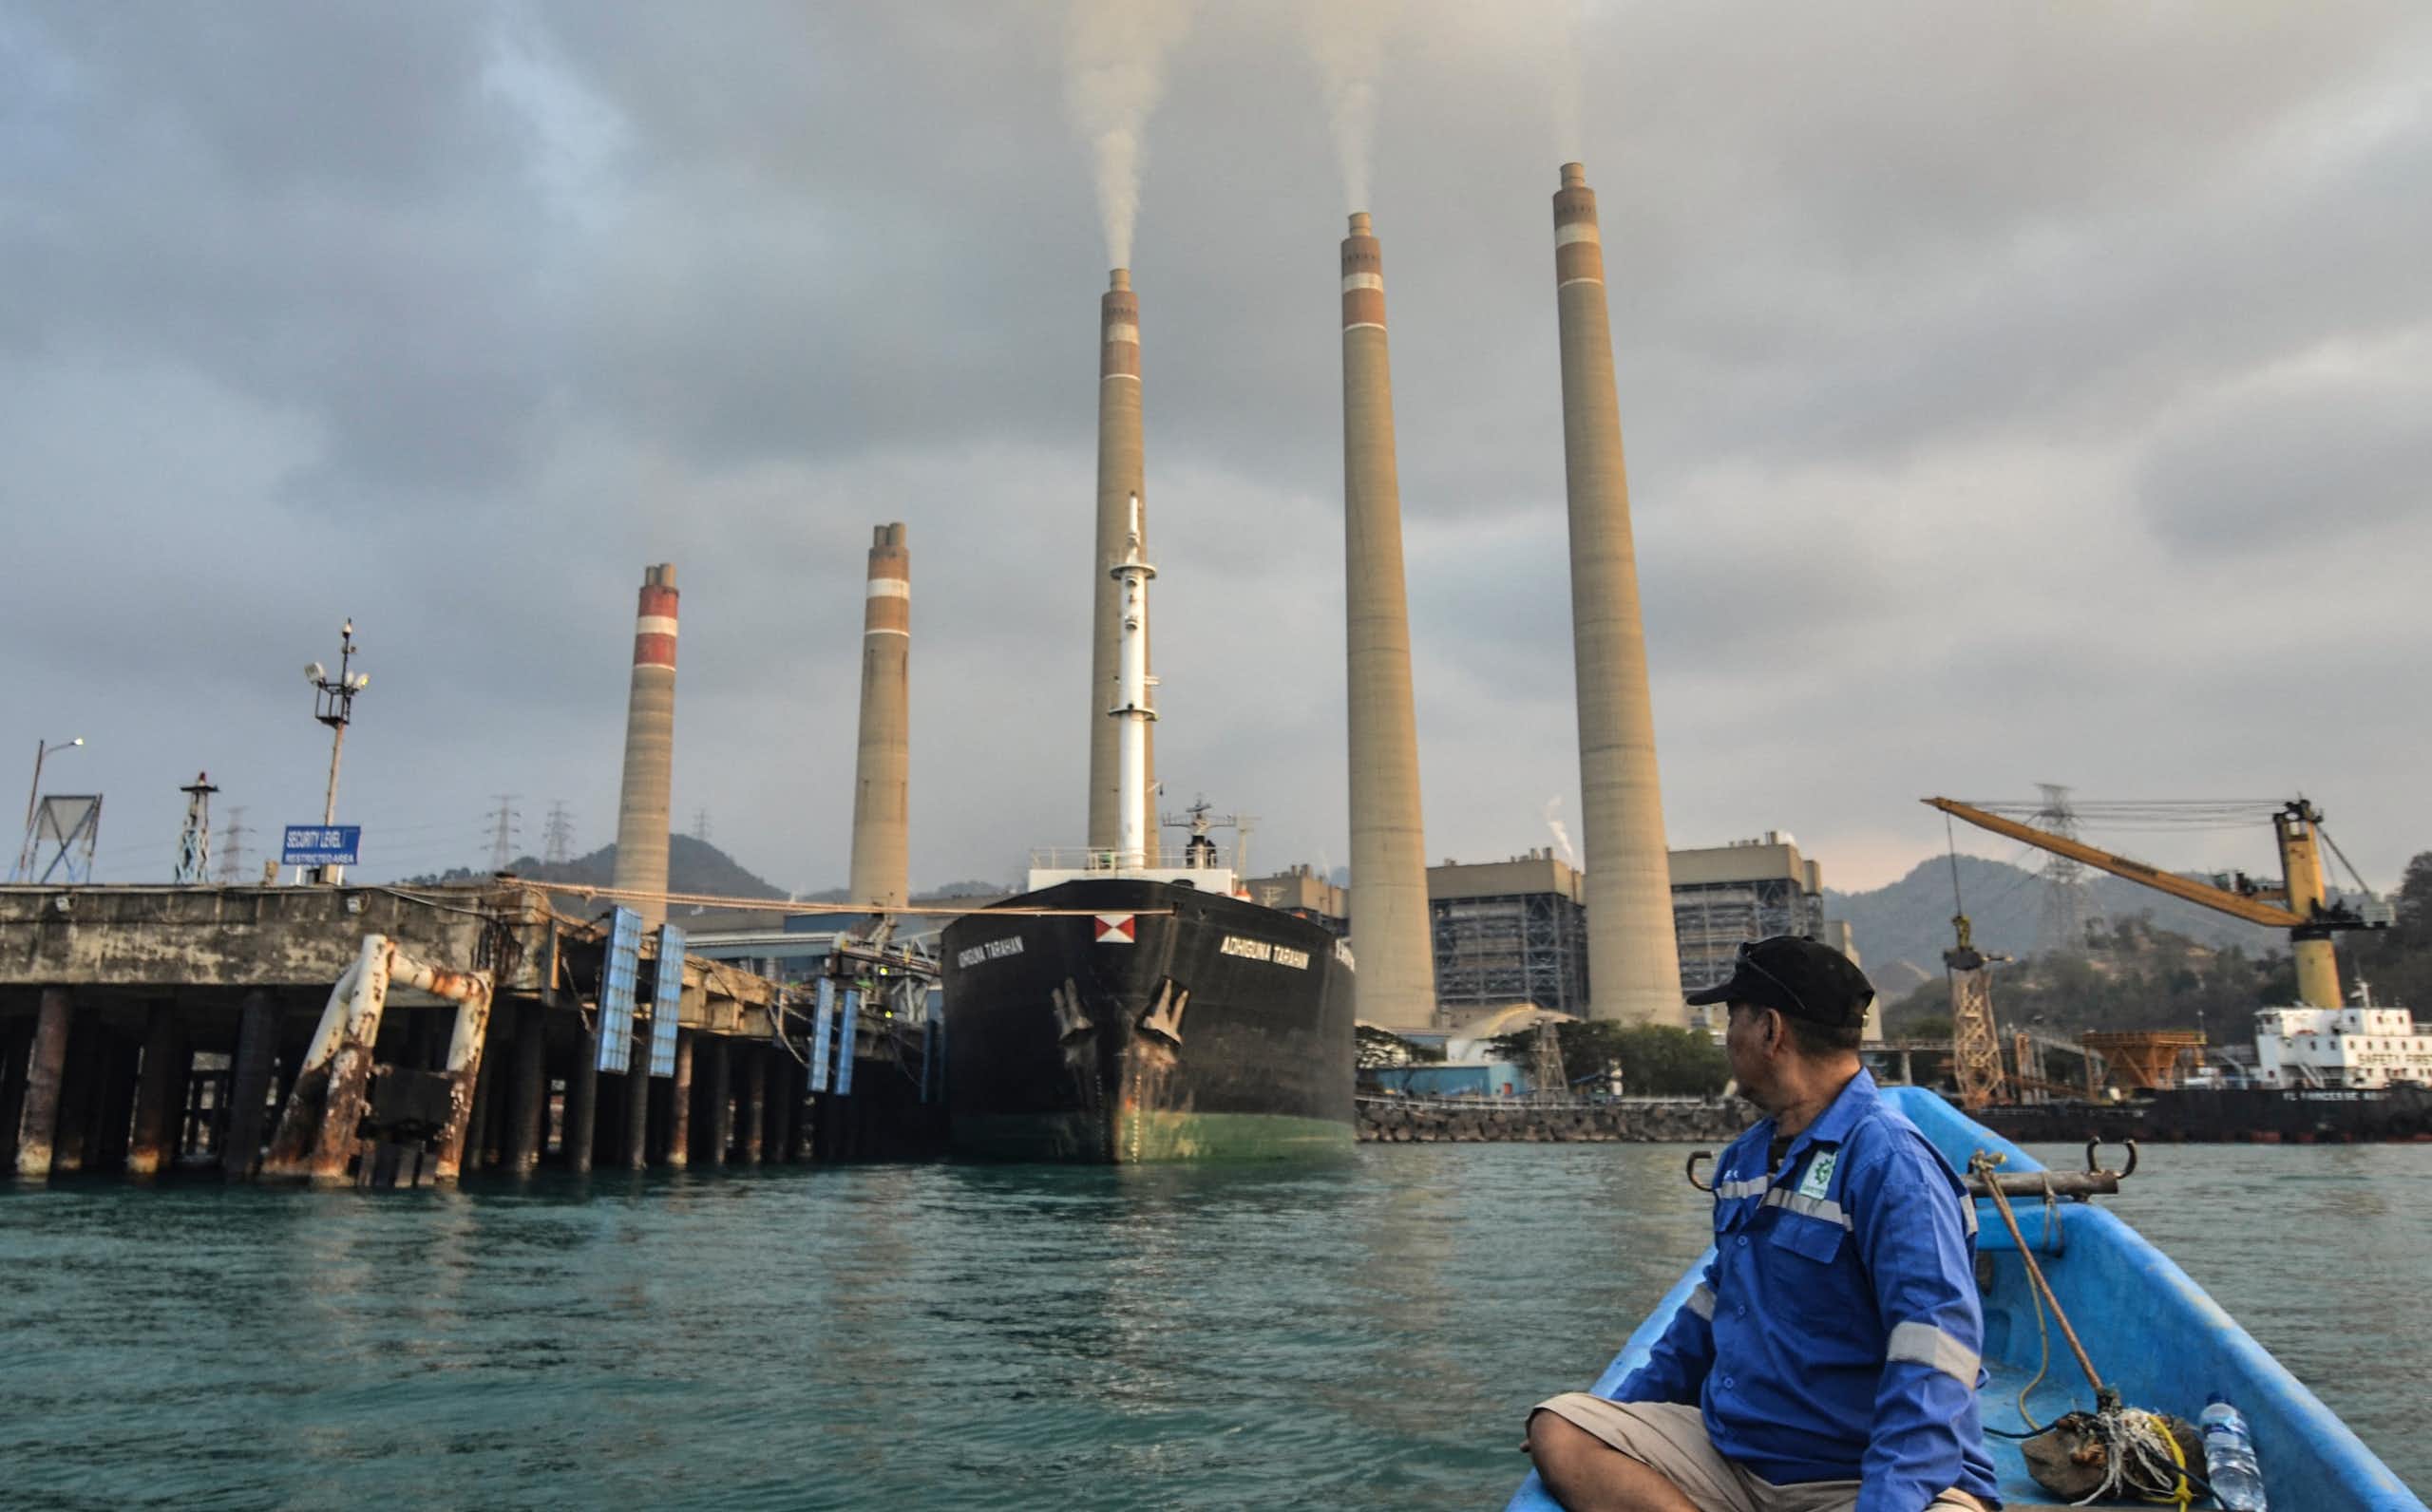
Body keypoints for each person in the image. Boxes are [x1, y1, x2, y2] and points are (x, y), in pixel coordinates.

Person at [1525, 936, 2003, 1512]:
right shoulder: (1746, 1160)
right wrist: (1625, 1416)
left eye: (1732, 1019)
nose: (1726, 1039)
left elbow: (1934, 1352)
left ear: (1770, 1031)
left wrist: (1888, 1502)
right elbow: (1710, 1312)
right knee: (1562, 1428)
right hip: (1739, 1458)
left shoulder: (1889, 1163)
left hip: (1865, 1475)